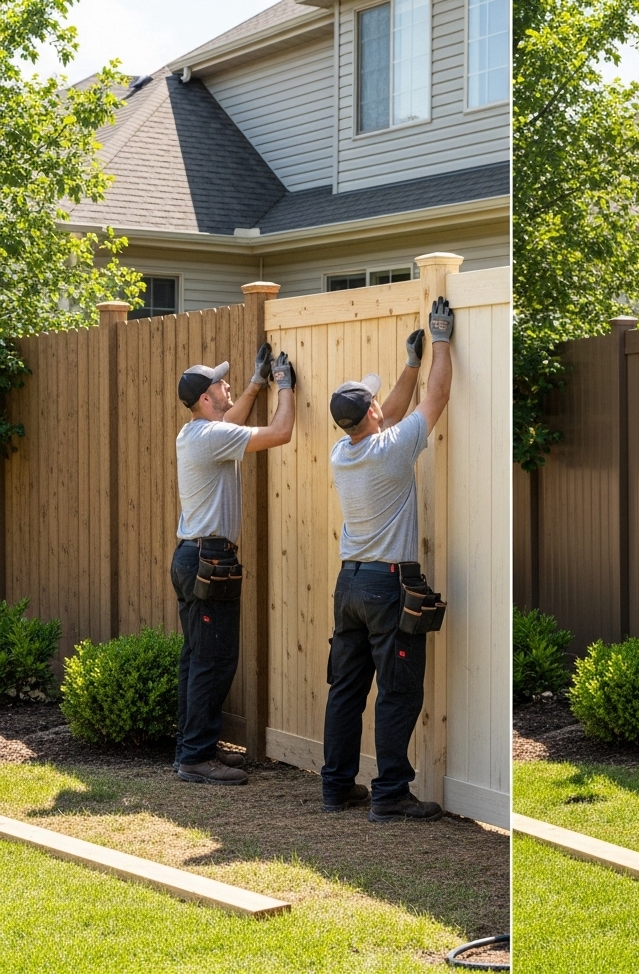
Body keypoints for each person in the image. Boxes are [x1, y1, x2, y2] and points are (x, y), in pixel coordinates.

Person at [320, 296, 454, 821]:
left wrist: (409, 365)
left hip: (349, 585)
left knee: (346, 690)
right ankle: (391, 794)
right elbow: (436, 397)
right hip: (388, 586)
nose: (383, 407)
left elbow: (390, 413)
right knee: (397, 692)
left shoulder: (343, 451)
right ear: (370, 414)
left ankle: (336, 788)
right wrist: (439, 339)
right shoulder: (393, 448)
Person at [171, 346, 296, 785]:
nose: (228, 386)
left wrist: (254, 384)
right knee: (215, 660)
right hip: (210, 560)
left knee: (196, 657)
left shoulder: (195, 434)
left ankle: (193, 748)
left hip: (191, 557)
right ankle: (195, 760)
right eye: (221, 384)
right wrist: (285, 385)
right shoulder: (211, 437)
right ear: (206, 398)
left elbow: (231, 422)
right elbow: (280, 433)